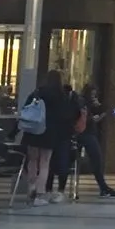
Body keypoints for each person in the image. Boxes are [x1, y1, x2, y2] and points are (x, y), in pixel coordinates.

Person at [21, 69, 68, 207]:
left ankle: (31, 189)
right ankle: (40, 194)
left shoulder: (38, 92)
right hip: (49, 132)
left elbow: (25, 109)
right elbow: (64, 116)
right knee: (45, 163)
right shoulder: (60, 95)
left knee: (32, 161)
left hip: (33, 131)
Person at [78, 84, 115, 198]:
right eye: (92, 94)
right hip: (86, 134)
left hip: (89, 133)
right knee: (96, 158)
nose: (93, 97)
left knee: (97, 160)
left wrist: (99, 107)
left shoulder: (90, 103)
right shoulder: (82, 102)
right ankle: (103, 187)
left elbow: (103, 110)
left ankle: (103, 187)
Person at [44, 84, 81, 202]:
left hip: (50, 133)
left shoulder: (47, 96)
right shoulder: (69, 100)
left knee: (49, 163)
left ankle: (48, 190)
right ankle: (60, 191)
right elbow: (76, 114)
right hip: (65, 134)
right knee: (62, 163)